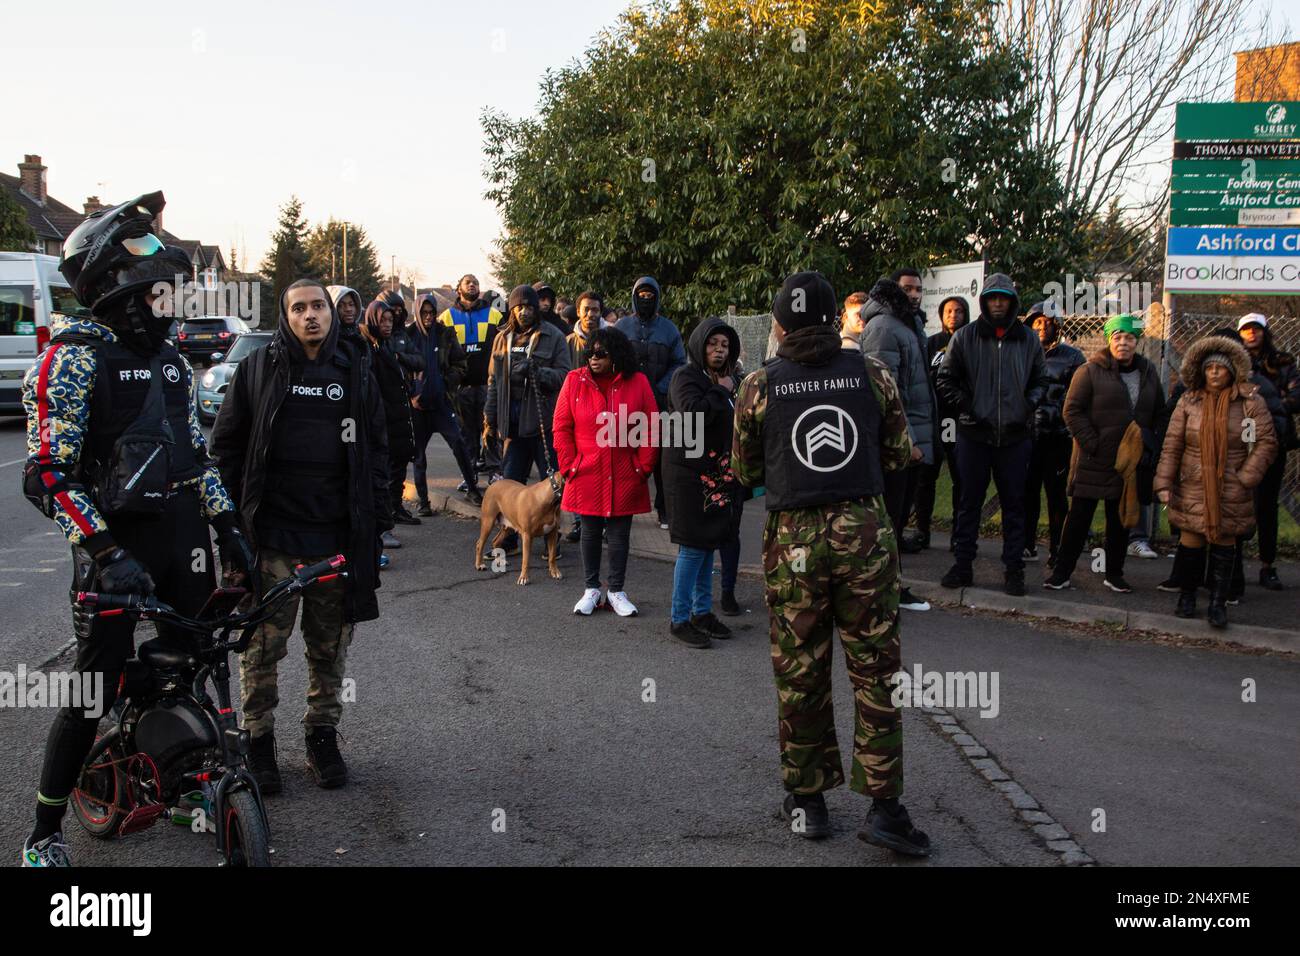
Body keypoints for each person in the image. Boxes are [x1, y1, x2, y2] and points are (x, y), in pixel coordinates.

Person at [19, 193, 254, 867]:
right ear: (117, 294)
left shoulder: (174, 363)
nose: (171, 308)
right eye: (160, 296)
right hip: (113, 549)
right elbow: (47, 476)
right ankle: (42, 833)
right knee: (92, 691)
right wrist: (103, 550)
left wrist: (227, 525)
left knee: (192, 665)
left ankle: (183, 787)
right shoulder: (71, 359)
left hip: (180, 541)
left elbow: (194, 457)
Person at [732, 270, 930, 857]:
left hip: (794, 544)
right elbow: (899, 454)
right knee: (877, 672)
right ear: (833, 318)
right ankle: (885, 807)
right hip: (863, 537)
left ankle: (809, 802)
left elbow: (744, 473)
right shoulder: (871, 374)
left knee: (801, 671)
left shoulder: (759, 385)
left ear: (779, 324)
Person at [211, 278, 390, 793]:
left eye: (318, 307)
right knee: (262, 651)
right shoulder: (259, 368)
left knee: (329, 650)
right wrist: (230, 535)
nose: (310, 315)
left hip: (335, 544)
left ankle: (321, 737)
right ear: (285, 316)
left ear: (331, 314)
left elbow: (377, 450)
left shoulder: (355, 369)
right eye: (298, 308)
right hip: (272, 543)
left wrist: (375, 523)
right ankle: (258, 743)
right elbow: (225, 450)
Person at [935, 274, 1048, 596]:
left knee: (1015, 505)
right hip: (974, 434)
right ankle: (962, 565)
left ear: (1012, 302)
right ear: (984, 302)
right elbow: (946, 379)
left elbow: (1042, 380)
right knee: (969, 503)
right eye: (993, 298)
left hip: (1015, 436)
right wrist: (968, 406)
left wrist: (1027, 406)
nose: (998, 303)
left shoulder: (1028, 340)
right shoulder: (965, 337)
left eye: (1004, 298)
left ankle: (1014, 569)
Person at [1154, 335, 1278, 628]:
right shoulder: (1189, 400)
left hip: (1231, 485)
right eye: (1209, 368)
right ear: (1200, 370)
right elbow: (1172, 444)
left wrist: (1246, 476)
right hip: (1193, 482)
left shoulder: (1249, 401)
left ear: (1232, 369)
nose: (1214, 373)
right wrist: (1163, 482)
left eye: (1220, 368)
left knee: (1225, 544)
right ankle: (1186, 597)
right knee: (1190, 543)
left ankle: (1217, 603)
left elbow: (1266, 442)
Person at [1043, 314, 1164, 593]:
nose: (1123, 343)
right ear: (1110, 340)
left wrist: (1150, 441)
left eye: (1130, 338)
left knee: (1120, 519)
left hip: (1129, 461)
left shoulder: (1148, 372)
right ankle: (1061, 573)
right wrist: (1092, 444)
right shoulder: (1090, 371)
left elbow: (1159, 412)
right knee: (1079, 518)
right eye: (1117, 337)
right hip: (1092, 459)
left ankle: (1114, 573)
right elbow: (1071, 410)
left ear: (1138, 341)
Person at [552, 327, 657, 617]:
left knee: (620, 535)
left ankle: (617, 591)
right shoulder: (574, 381)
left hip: (625, 471)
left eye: (601, 353)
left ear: (617, 355)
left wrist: (642, 466)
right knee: (589, 532)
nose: (593, 359)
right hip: (586, 471)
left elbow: (650, 427)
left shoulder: (638, 383)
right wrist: (570, 465)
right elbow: (561, 426)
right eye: (590, 353)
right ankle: (591, 590)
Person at [664, 317, 743, 646]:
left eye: (725, 345)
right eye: (713, 343)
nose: (719, 350)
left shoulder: (723, 379)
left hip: (715, 472)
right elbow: (692, 414)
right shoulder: (686, 377)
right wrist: (719, 390)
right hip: (687, 475)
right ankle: (679, 619)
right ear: (699, 345)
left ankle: (702, 612)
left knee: (708, 542)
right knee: (694, 546)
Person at [860, 275, 934, 612]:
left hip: (911, 438)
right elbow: (884, 393)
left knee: (896, 519)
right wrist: (909, 441)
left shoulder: (910, 325)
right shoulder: (884, 328)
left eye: (919, 289)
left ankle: (891, 585)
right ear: (894, 292)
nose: (915, 295)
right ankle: (879, 591)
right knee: (886, 520)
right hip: (894, 443)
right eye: (908, 289)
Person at [616, 276, 687, 527]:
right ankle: (620, 506)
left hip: (659, 401)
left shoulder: (669, 329)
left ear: (657, 298)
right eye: (641, 295)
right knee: (624, 453)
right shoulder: (622, 327)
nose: (646, 299)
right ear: (635, 297)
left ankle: (664, 508)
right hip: (627, 402)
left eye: (650, 295)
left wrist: (661, 387)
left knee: (660, 458)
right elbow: (612, 359)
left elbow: (679, 362)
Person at [486, 285, 571, 488]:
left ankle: (557, 521)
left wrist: (536, 371)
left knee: (551, 487)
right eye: (519, 307)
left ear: (536, 309)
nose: (524, 312)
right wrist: (489, 418)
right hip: (512, 427)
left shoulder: (554, 336)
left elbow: (565, 377)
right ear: (512, 309)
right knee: (510, 486)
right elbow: (493, 381)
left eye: (530, 307)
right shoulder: (501, 338)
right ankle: (518, 522)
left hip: (543, 425)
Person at [1237, 313, 1298, 590]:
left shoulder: (1282, 362)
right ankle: (1232, 562)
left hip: (1273, 440)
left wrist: (1269, 406)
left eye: (1256, 329)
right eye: (1246, 329)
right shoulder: (1233, 361)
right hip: (1238, 441)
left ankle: (1267, 565)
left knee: (1267, 505)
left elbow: (1297, 397)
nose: (1252, 334)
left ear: (1265, 332)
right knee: (1236, 501)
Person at [1022, 302, 1084, 565]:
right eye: (1037, 322)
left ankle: (1057, 548)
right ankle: (1026, 544)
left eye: (1048, 321)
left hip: (1058, 436)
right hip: (1026, 435)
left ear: (1057, 325)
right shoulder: (1021, 354)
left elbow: (1080, 397)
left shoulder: (1073, 357)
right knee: (1027, 492)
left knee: (1056, 496)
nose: (1042, 326)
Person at [907, 295, 969, 553]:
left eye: (958, 311)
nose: (953, 315)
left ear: (965, 314)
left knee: (960, 476)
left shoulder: (969, 341)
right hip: (934, 416)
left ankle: (959, 533)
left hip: (958, 419)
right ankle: (923, 531)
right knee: (926, 476)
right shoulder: (932, 343)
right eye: (948, 311)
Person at [409, 292, 481, 509]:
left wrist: (446, 380)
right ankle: (423, 501)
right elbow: (400, 369)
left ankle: (473, 489)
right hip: (418, 406)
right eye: (424, 313)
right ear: (417, 313)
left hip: (442, 403)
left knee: (459, 444)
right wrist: (411, 393)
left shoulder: (445, 333)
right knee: (418, 455)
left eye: (432, 312)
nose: (429, 317)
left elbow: (461, 364)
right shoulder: (407, 335)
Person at [360, 300, 418, 550]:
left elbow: (419, 362)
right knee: (378, 478)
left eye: (390, 321)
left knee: (392, 473)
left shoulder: (385, 346)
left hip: (394, 421)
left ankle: (387, 521)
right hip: (377, 423)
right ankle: (380, 532)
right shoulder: (366, 349)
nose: (387, 325)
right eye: (382, 320)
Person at [438, 275, 503, 480]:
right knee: (467, 433)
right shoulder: (447, 317)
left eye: (475, 282)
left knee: (491, 429)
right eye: (468, 282)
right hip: (461, 387)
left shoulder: (494, 313)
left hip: (488, 384)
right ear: (459, 289)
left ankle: (494, 472)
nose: (472, 285)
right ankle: (470, 476)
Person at [563, 291, 604, 542]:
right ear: (578, 311)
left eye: (595, 310)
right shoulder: (567, 342)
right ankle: (580, 522)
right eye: (586, 309)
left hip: (606, 417)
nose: (590, 314)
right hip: (576, 416)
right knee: (579, 471)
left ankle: (606, 522)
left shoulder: (611, 341)